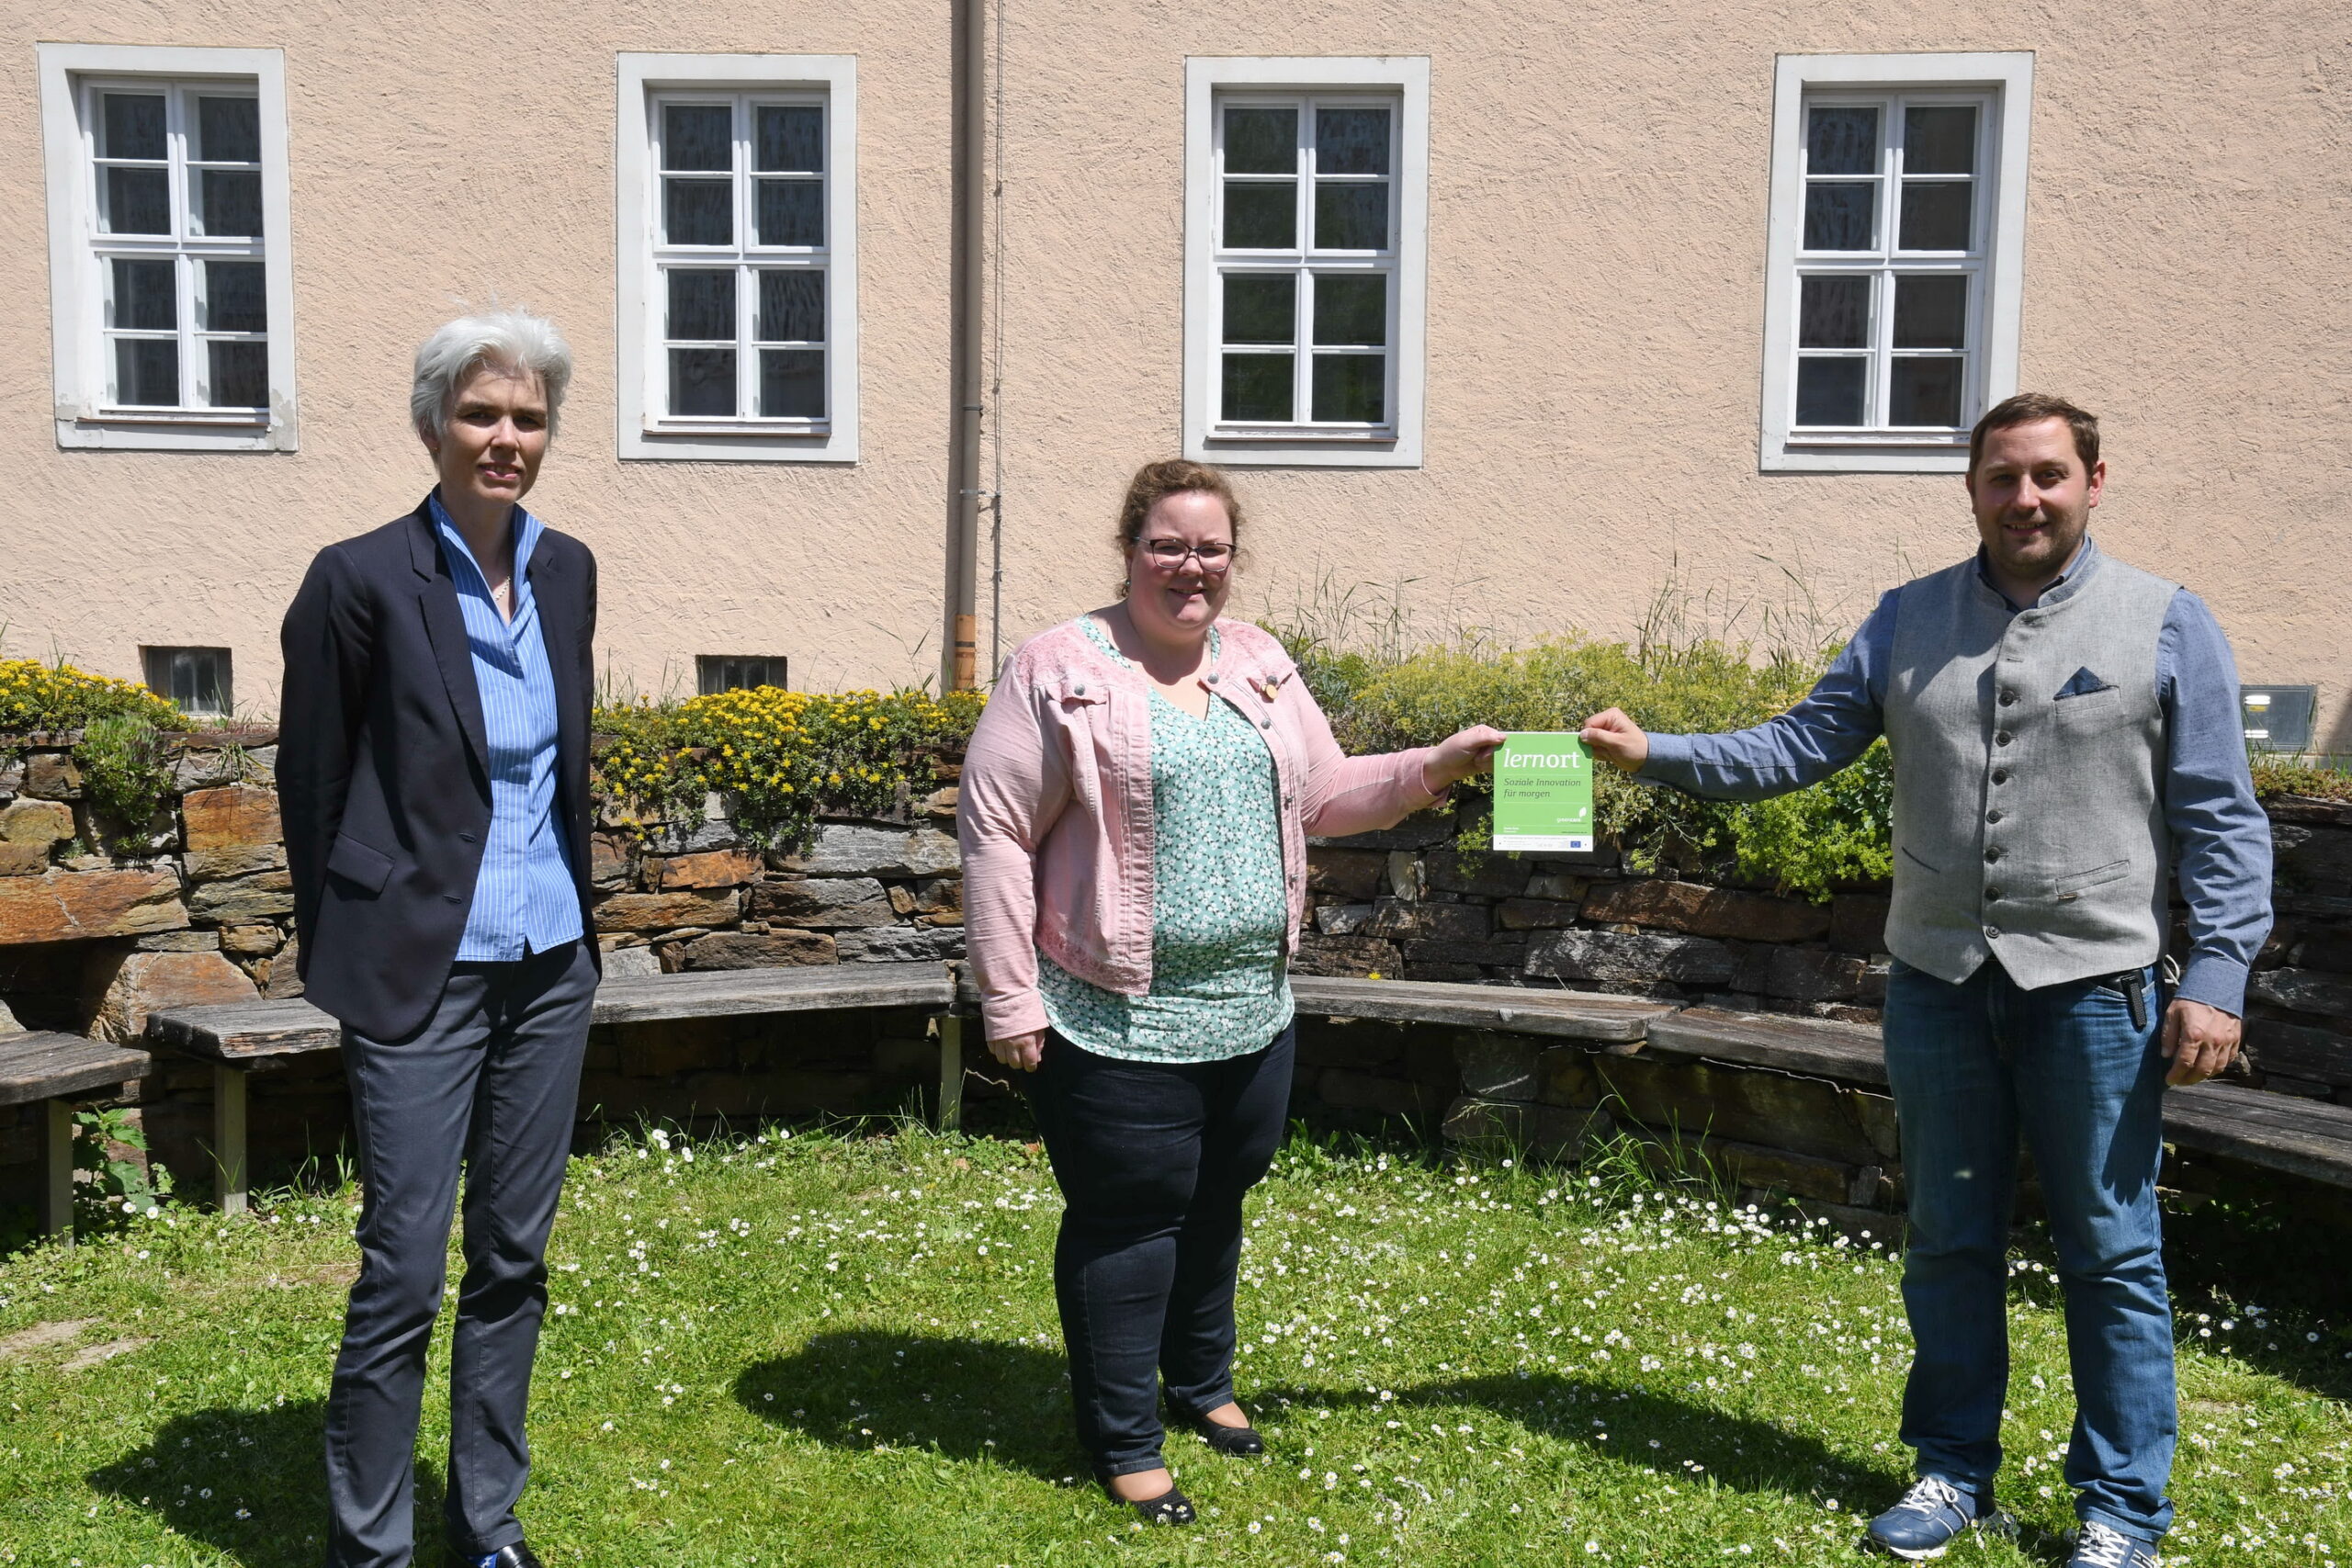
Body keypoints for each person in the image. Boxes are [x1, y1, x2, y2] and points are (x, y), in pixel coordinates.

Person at [1578, 394, 2271, 1567]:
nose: (2026, 498)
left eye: (2049, 475)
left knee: (2111, 1252)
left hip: (2096, 993)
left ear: (2095, 482)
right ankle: (1953, 1472)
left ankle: (2120, 1512)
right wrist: (1659, 754)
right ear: (1971, 489)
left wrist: (2215, 971)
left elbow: (2220, 817)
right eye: (2002, 477)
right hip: (1938, 984)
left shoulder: (2166, 621)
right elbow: (1800, 743)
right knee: (1948, 1238)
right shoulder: (1906, 619)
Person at [959, 459, 1503, 1525]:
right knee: (1128, 1223)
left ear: (1231, 560)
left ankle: (1199, 1383)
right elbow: (994, 831)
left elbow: (1324, 793)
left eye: (1209, 548)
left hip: (1251, 1013)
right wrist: (1010, 996)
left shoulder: (1255, 661)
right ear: (1130, 549)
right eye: (1167, 544)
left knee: (1216, 1209)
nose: (1189, 566)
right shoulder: (1058, 668)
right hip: (1112, 1015)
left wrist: (1433, 766)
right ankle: (1122, 1440)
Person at [279, 308, 600, 1568]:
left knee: (514, 1257)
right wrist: (353, 947)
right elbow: (313, 787)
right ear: (432, 426)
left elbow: (561, 759)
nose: (505, 437)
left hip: (550, 965)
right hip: (421, 971)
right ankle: (373, 1545)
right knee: (405, 1267)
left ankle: (489, 1523)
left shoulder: (566, 567)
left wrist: (577, 932)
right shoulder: (357, 578)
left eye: (526, 416)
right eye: (480, 413)